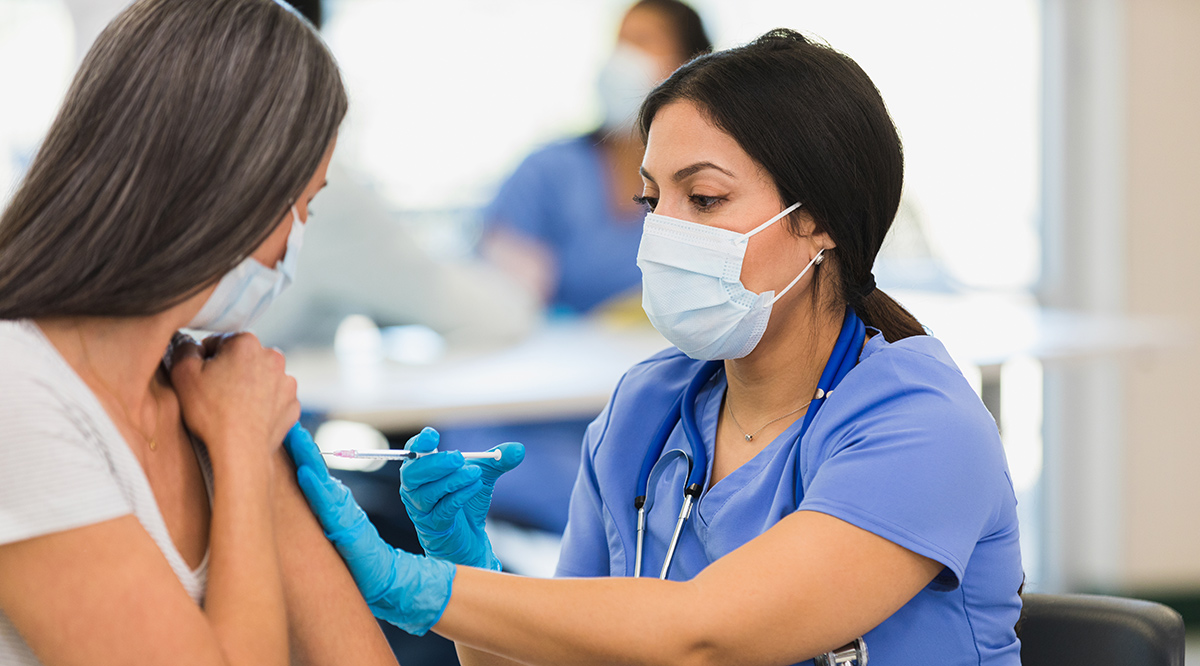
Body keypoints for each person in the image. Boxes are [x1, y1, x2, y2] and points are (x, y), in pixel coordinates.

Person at [286, 29, 1024, 666]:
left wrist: (415, 587)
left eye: (702, 200)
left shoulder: (922, 425)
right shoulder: (646, 410)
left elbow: (703, 635)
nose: (663, 231)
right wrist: (465, 565)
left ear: (821, 220)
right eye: (652, 200)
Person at [0, 1, 398, 663]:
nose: (297, 239)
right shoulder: (18, 392)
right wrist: (243, 453)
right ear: (230, 187)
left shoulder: (206, 386)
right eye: (303, 204)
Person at [439, 0, 713, 535]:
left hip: (662, 397)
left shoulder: (716, 188)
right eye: (621, 40)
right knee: (477, 454)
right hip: (542, 403)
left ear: (693, 65)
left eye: (646, 41)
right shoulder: (549, 173)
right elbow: (492, 301)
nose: (622, 59)